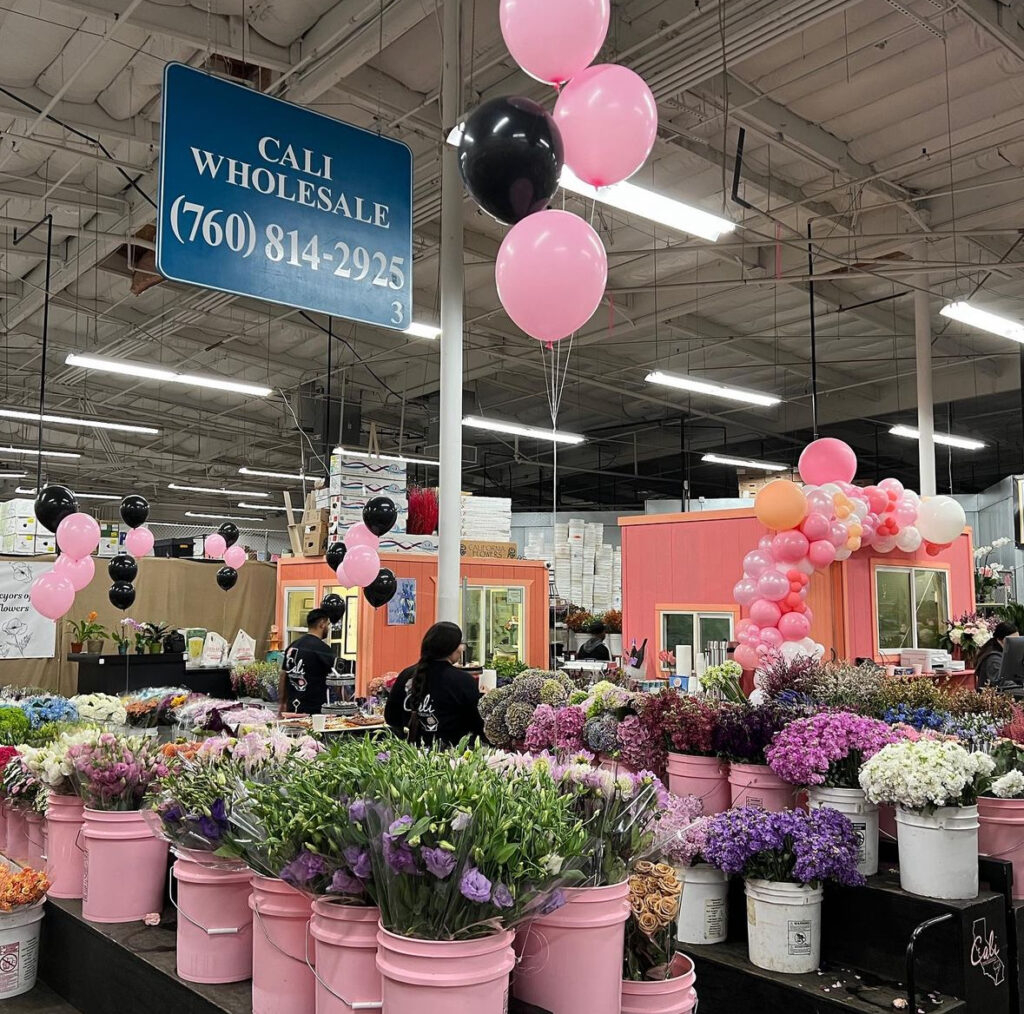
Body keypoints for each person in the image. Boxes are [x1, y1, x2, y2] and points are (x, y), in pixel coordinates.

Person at [385, 621, 484, 746]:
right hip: (452, 758)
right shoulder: (463, 681)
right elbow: (477, 723)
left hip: (410, 756)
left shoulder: (407, 674)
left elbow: (391, 717)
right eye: (460, 643)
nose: (462, 648)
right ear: (451, 648)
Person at [278, 609, 336, 715]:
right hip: (314, 711)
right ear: (322, 624)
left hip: (292, 709)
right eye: (328, 624)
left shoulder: (292, 646)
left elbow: (283, 676)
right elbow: (338, 679)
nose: (328, 628)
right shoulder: (323, 649)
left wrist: (282, 703)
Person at [975, 621, 1019, 688]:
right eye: (1012, 640)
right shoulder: (993, 659)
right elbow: (1001, 682)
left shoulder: (1006, 654)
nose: (1015, 644)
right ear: (999, 640)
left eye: (1017, 640)